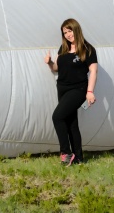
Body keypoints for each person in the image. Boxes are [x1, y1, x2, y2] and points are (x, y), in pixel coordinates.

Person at [44, 18, 98, 166]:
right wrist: (49, 62)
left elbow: (93, 71)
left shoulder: (88, 49)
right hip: (62, 88)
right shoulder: (63, 49)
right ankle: (79, 158)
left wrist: (90, 91)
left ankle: (66, 153)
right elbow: (57, 68)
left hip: (78, 89)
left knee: (57, 117)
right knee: (71, 123)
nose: (68, 35)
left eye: (70, 30)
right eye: (65, 32)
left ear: (76, 29)